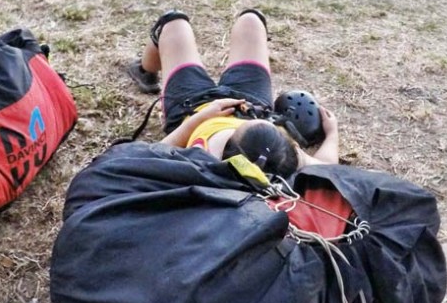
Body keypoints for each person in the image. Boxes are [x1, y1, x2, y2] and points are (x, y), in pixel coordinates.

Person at [126, 9, 339, 177]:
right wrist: (332, 133)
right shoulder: (284, 157)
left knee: (173, 23)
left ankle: (146, 71)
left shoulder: (202, 160)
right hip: (251, 101)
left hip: (190, 107)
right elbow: (326, 167)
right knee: (252, 20)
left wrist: (201, 117)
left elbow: (150, 157)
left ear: (228, 147)